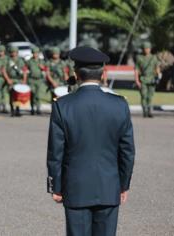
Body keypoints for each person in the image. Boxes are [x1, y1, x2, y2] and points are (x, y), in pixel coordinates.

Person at [47, 46, 135, 236]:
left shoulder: (62, 105)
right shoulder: (120, 105)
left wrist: (56, 186)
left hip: (75, 187)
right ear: (103, 74)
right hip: (109, 186)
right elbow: (127, 151)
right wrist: (123, 184)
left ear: (76, 74)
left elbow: (56, 152)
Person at [135, 42, 161, 118]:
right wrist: (137, 80)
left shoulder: (154, 58)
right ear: (143, 49)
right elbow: (136, 70)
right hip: (143, 79)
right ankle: (145, 111)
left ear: (150, 49)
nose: (147, 50)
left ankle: (149, 111)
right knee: (143, 95)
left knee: (150, 96)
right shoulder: (139, 58)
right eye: (145, 48)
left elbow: (157, 68)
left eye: (148, 48)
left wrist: (158, 75)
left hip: (152, 80)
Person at [3, 46, 27, 117]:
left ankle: (18, 110)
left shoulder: (20, 60)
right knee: (11, 96)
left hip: (18, 80)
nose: (14, 53)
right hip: (11, 80)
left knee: (18, 96)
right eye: (12, 52)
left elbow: (24, 70)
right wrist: (7, 79)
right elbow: (4, 70)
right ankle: (12, 110)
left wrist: (24, 80)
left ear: (17, 53)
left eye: (15, 52)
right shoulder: (7, 60)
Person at [25, 46, 48, 115]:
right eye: (34, 53)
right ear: (32, 53)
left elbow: (46, 69)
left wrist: (42, 67)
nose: (35, 54)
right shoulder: (29, 61)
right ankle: (32, 108)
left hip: (39, 80)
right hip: (31, 80)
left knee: (38, 95)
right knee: (32, 94)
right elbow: (25, 70)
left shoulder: (42, 61)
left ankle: (38, 108)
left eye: (37, 53)